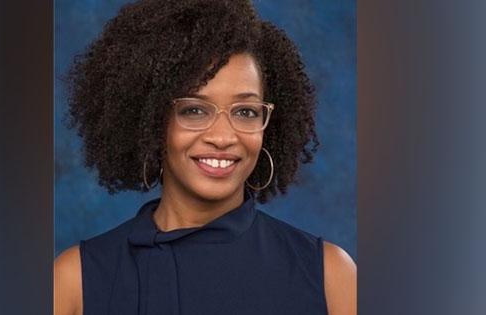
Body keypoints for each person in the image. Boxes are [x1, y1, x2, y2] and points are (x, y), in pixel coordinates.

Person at [54, 0, 356, 314]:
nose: (223, 137)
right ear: (152, 119)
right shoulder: (75, 281)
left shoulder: (330, 275)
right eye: (194, 110)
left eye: (245, 111)